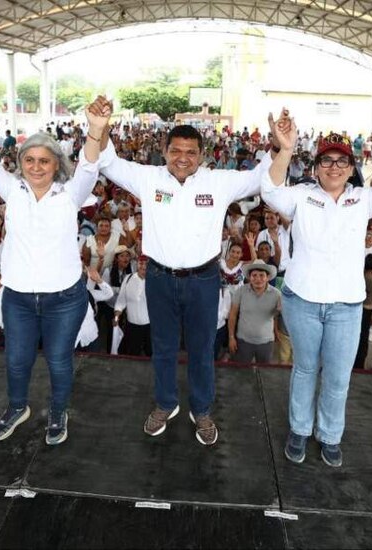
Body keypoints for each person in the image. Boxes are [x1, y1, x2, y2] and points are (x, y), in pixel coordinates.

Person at [264, 97, 372, 467]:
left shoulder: (363, 199)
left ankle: (330, 435)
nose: (334, 167)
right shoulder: (301, 196)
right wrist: (285, 149)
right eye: (327, 160)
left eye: (342, 161)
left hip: (347, 307)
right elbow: (270, 191)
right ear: (316, 167)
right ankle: (300, 429)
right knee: (305, 370)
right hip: (302, 302)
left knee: (338, 377)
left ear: (352, 167)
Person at [96, 119, 275, 446]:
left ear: (202, 155)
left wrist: (279, 145)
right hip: (159, 278)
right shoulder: (148, 177)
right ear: (164, 151)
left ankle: (201, 410)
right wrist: (101, 127)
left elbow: (263, 175)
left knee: (202, 348)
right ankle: (166, 404)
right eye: (176, 150)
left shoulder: (218, 182)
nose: (183, 158)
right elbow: (107, 162)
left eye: (191, 152)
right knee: (162, 346)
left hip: (203, 280)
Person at [0, 88, 111, 446]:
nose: (36, 167)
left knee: (59, 361)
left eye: (44, 161)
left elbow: (90, 163)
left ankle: (58, 412)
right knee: (16, 361)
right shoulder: (11, 190)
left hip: (65, 299)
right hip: (18, 298)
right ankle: (17, 407)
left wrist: (96, 128)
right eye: (29, 160)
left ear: (57, 164)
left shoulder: (71, 194)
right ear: (21, 163)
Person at [227, 260, 282, 363]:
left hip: (266, 342)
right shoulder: (241, 291)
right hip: (243, 341)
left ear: (268, 277)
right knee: (241, 370)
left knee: (264, 370)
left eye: (262, 275)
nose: (258, 279)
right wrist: (231, 337)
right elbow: (233, 315)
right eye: (254, 275)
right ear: (249, 277)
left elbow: (278, 314)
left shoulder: (277, 294)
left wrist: (277, 331)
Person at [115, 256, 151, 356]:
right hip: (132, 326)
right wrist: (116, 317)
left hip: (151, 327)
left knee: (151, 354)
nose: (143, 266)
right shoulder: (128, 278)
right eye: (141, 263)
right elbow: (121, 301)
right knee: (133, 354)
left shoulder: (155, 281)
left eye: (146, 264)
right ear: (136, 264)